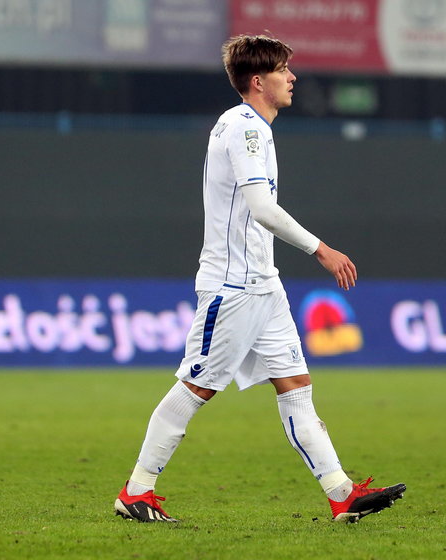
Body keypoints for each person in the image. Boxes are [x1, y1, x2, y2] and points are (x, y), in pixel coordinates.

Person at [113, 34, 405, 524]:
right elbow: (261, 208)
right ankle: (137, 491)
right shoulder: (246, 128)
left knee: (297, 389)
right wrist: (322, 249)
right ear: (258, 81)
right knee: (194, 387)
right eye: (283, 71)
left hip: (263, 286)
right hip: (231, 289)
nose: (292, 78)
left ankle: (341, 493)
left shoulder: (250, 127)